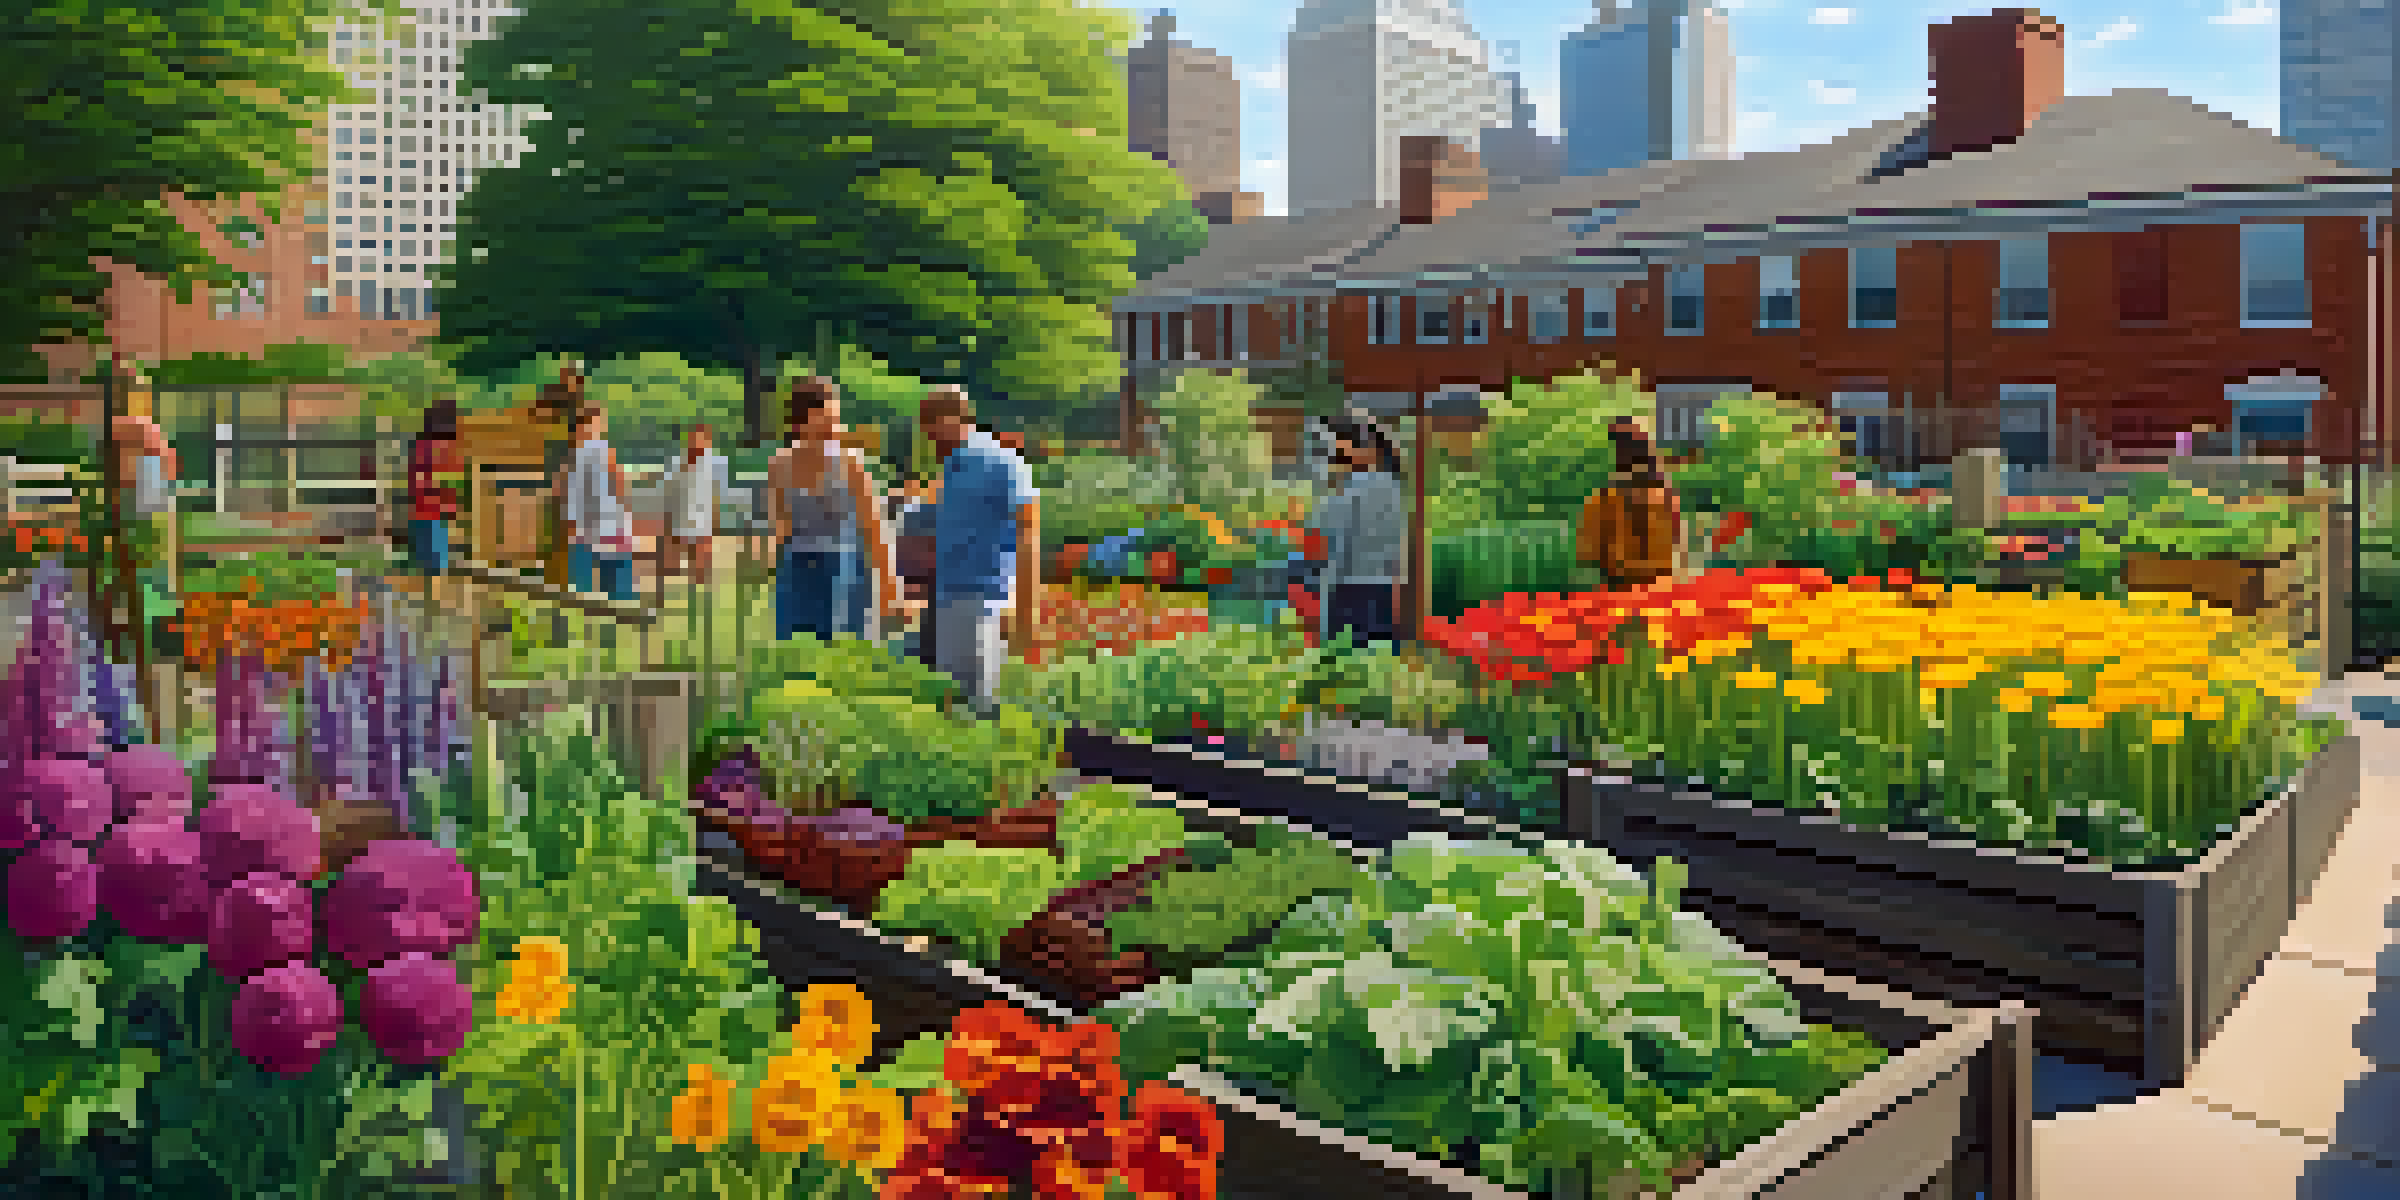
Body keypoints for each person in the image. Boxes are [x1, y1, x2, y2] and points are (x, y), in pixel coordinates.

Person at [922, 384, 1038, 716]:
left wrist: (1024, 611)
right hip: (949, 594)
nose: (929, 439)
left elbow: (1028, 530)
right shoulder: (953, 465)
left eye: (931, 429)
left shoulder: (1000, 462)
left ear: (951, 419)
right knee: (954, 703)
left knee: (980, 703)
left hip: (984, 595)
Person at [769, 376, 908, 643]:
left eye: (835, 417)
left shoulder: (850, 463)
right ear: (802, 421)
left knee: (840, 650)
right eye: (826, 418)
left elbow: (874, 526)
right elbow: (781, 527)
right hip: (796, 571)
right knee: (795, 652)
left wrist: (890, 587)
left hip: (844, 570)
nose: (834, 426)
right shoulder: (779, 465)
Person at [1308, 418, 1410, 648]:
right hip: (1382, 586)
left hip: (1351, 585)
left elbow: (1328, 532)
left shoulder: (1357, 485)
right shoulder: (1394, 486)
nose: (1333, 458)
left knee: (1345, 661)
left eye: (1339, 449)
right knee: (1377, 658)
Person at [1578, 417, 1683, 590]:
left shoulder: (1608, 497)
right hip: (1647, 579)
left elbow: (1589, 548)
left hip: (1631, 577)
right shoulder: (1661, 493)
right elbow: (1675, 535)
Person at [560, 405, 638, 601]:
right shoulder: (584, 454)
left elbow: (618, 486)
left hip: (602, 524)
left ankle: (618, 605)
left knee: (601, 581)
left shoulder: (597, 452)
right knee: (599, 582)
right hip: (591, 526)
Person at [662, 423, 728, 587]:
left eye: (701, 439)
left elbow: (719, 494)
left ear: (707, 442)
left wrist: (716, 519)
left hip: (702, 517)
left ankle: (701, 585)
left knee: (701, 557)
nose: (697, 442)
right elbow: (670, 491)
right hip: (680, 515)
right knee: (673, 556)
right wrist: (668, 517)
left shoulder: (716, 464)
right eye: (694, 439)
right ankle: (670, 583)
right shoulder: (677, 462)